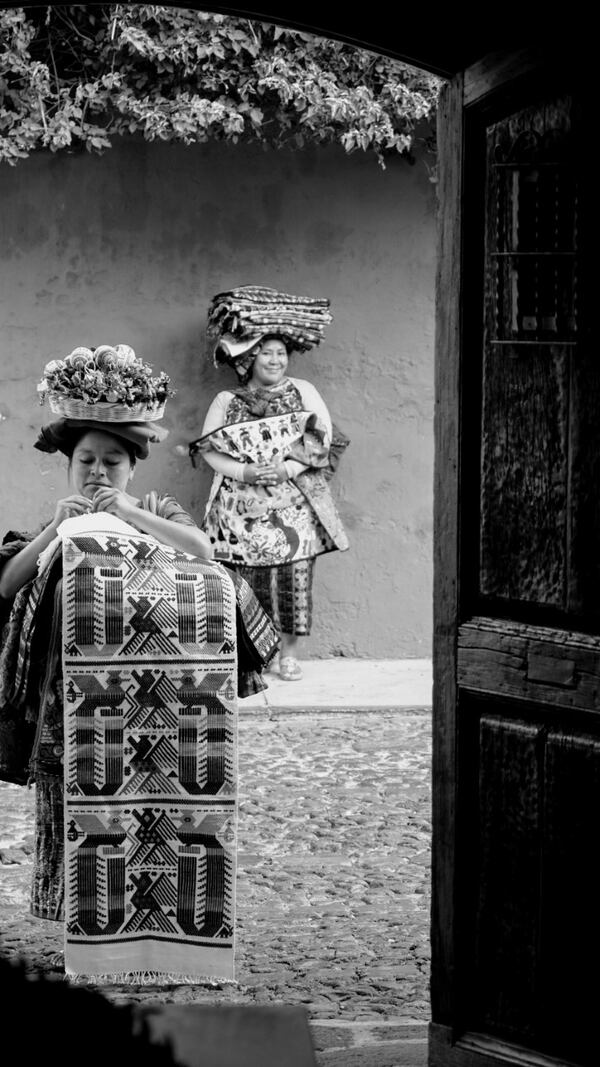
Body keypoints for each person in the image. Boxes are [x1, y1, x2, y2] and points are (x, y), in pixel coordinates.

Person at [0, 419, 214, 921]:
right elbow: (8, 584)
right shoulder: (59, 524)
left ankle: (160, 915)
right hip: (71, 695)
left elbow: (203, 552)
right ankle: (83, 925)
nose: (98, 471)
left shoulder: (159, 510)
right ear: (70, 467)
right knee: (77, 802)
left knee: (155, 801)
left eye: (112, 462)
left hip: (160, 696)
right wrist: (55, 529)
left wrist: (129, 513)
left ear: (133, 468)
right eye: (86, 461)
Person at [190, 332, 349, 681]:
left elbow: (322, 437)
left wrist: (286, 468)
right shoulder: (225, 400)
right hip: (238, 510)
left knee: (295, 581)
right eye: (266, 353)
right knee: (243, 582)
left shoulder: (303, 391)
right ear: (248, 359)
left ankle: (289, 655)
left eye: (280, 353)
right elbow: (209, 449)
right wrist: (244, 470)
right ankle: (252, 656)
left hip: (293, 506)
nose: (275, 360)